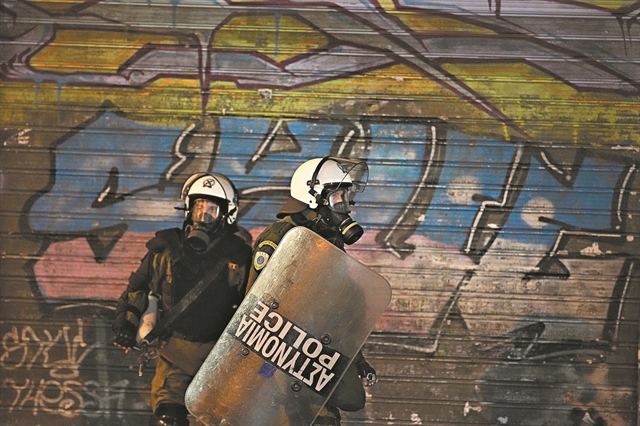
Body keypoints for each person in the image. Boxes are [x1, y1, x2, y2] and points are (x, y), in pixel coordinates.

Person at [112, 172, 252, 426]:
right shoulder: (166, 249)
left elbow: (256, 303)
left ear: (226, 214)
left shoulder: (238, 256)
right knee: (168, 419)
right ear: (188, 209)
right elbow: (136, 291)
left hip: (221, 354)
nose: (203, 217)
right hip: (174, 352)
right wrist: (125, 325)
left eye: (212, 210)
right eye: (199, 208)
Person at [247, 156, 378, 426]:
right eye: (336, 197)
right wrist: (267, 372)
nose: (343, 206)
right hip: (278, 356)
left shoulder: (328, 243)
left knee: (332, 413)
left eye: (345, 198)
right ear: (313, 197)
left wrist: (357, 360)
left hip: (316, 355)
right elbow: (257, 311)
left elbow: (339, 313)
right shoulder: (282, 238)